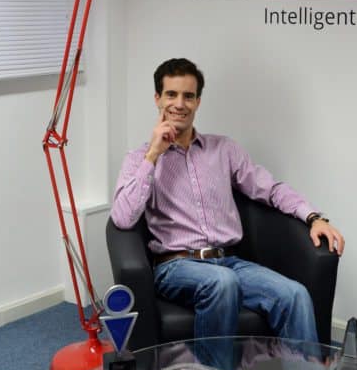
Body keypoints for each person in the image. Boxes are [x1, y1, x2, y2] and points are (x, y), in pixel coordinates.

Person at [110, 58, 344, 353]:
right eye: (171, 94)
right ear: (158, 98)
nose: (180, 104)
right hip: (177, 265)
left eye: (188, 96)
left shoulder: (224, 149)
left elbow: (270, 189)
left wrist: (313, 217)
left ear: (198, 102)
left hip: (230, 262)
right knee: (222, 283)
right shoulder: (139, 158)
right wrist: (154, 154)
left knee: (294, 295)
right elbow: (123, 218)